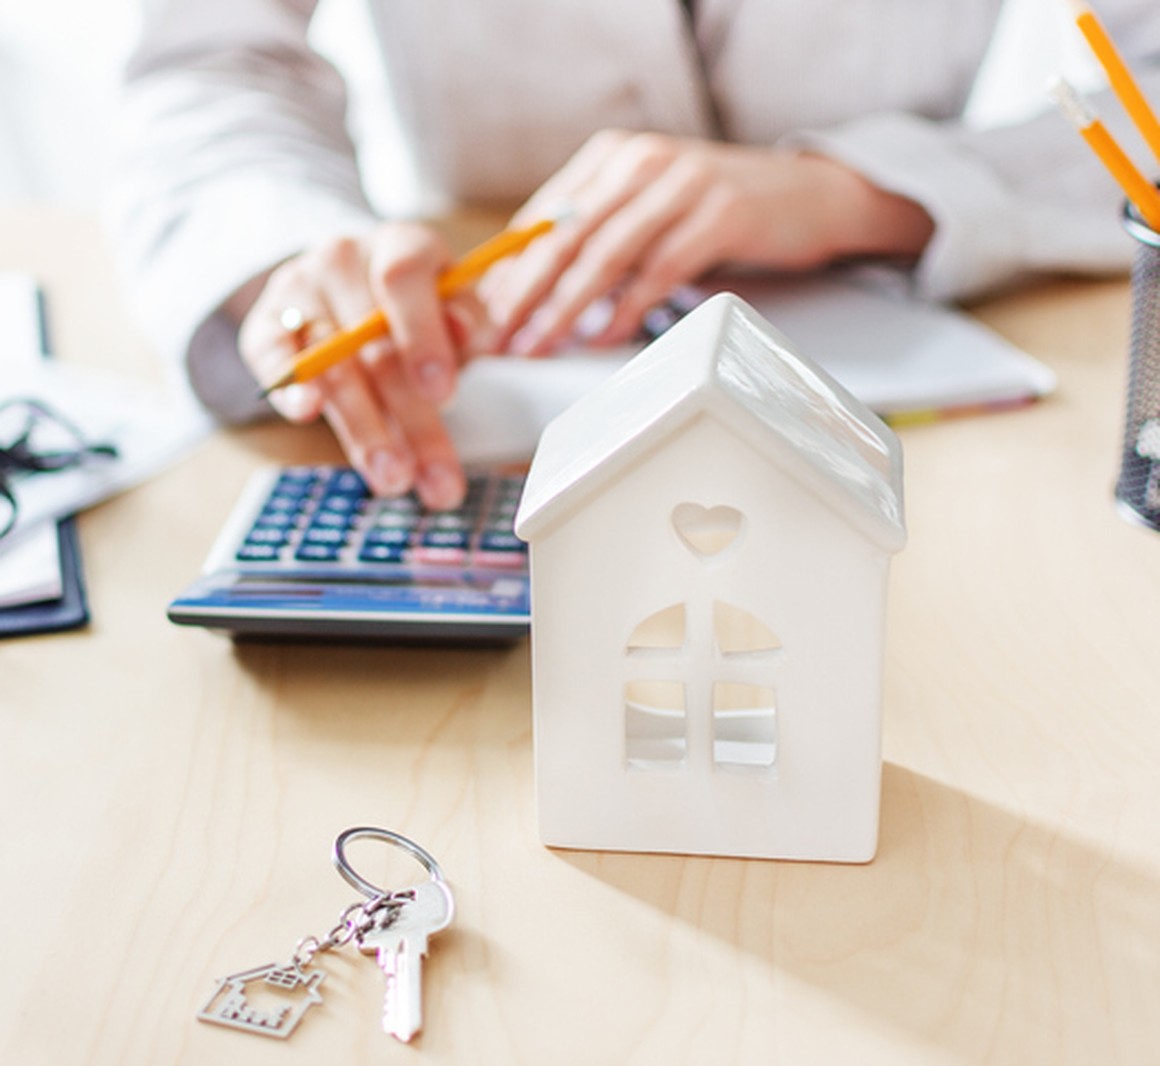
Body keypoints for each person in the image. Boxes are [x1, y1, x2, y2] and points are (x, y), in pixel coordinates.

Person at [109, 0, 1160, 509]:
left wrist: (861, 190)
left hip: (932, 421)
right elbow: (205, 63)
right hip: (487, 378)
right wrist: (280, 251)